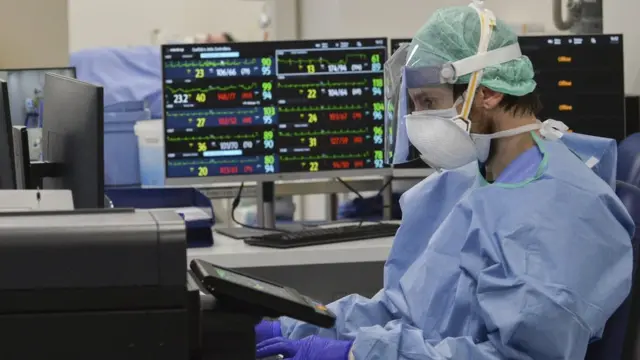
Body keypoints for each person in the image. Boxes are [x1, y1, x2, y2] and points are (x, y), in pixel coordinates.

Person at [255, 2, 634, 360]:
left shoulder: (563, 208)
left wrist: (355, 354)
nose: (418, 120)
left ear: (486, 93)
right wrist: (296, 328)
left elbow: (521, 356)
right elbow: (401, 310)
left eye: (428, 103)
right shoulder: (466, 181)